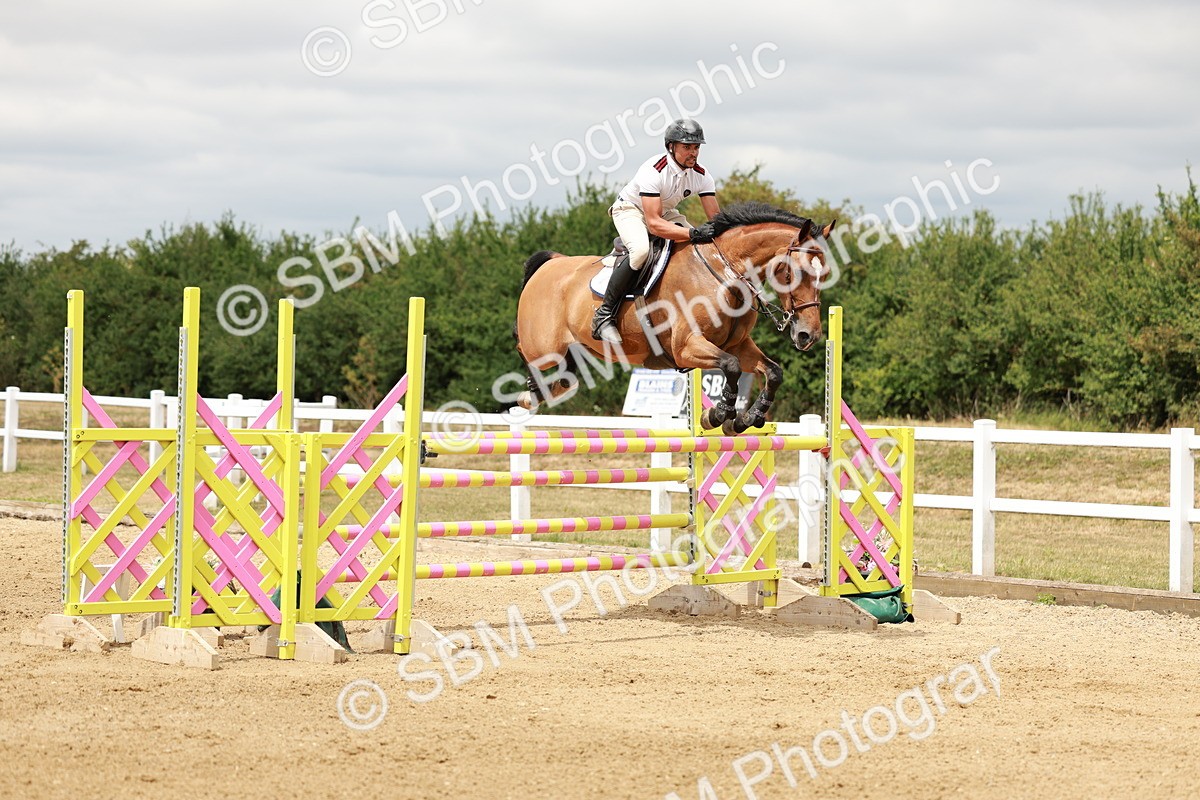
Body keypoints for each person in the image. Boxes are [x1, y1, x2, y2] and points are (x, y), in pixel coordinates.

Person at [591, 118, 721, 344]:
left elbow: (717, 219)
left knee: (700, 250)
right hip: (631, 210)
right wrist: (692, 233)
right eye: (687, 147)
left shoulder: (701, 174)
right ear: (671, 147)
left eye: (696, 147)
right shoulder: (654, 170)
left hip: (664, 212)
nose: (693, 153)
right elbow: (653, 224)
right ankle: (604, 315)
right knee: (641, 251)